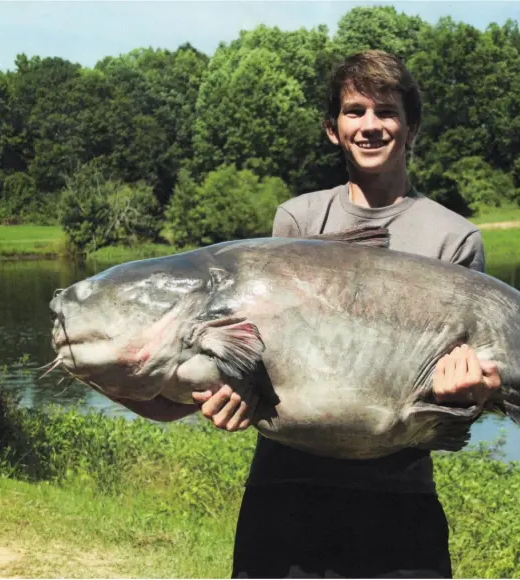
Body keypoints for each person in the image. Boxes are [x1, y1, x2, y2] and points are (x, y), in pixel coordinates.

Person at [190, 50, 502, 578]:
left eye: (386, 111)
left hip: (399, 499)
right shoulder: (299, 219)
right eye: (354, 111)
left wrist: (475, 391)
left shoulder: (454, 239)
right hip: (287, 490)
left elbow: (471, 397)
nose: (370, 125)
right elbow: (261, 350)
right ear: (333, 129)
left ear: (411, 127)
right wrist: (235, 389)